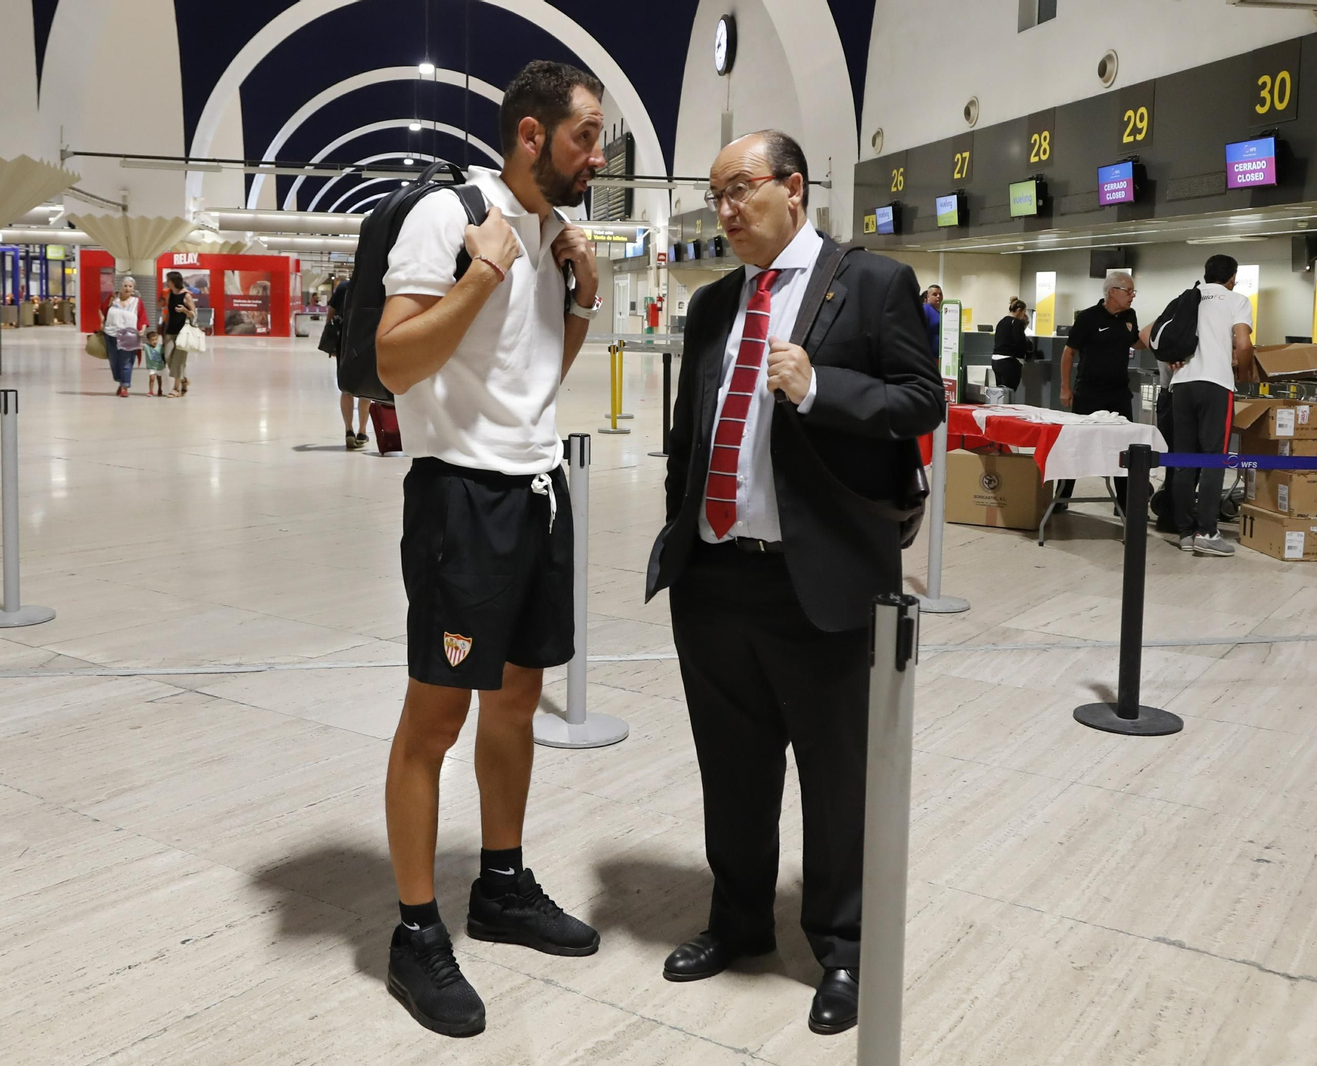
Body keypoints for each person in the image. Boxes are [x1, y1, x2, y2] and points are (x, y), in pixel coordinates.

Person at [644, 130, 944, 1037]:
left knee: (835, 775)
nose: (726, 210)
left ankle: (843, 947)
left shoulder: (874, 284)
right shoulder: (711, 306)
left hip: (821, 583)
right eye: (716, 195)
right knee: (731, 770)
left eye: (741, 190)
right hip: (717, 579)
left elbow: (922, 402)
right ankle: (737, 922)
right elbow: (689, 436)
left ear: (793, 187)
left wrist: (821, 390)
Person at [374, 59, 606, 1038]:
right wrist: (481, 270)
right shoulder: (451, 214)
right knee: (437, 717)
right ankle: (415, 930)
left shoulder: (556, 236)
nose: (598, 154)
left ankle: (500, 884)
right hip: (461, 500)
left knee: (516, 698)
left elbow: (530, 379)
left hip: (537, 489)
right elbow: (395, 361)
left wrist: (583, 298)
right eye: (585, 135)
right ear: (529, 133)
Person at [1170, 254, 1254, 556]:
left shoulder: (1187, 297)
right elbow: (1243, 344)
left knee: (1183, 461)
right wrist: (1245, 375)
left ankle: (1184, 531)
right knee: (1213, 460)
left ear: (1206, 274)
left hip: (1181, 385)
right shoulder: (1237, 300)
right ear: (1232, 278)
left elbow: (1146, 334)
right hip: (1216, 385)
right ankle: (1207, 531)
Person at [1056, 271, 1143, 508]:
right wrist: (1065, 388)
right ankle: (1061, 499)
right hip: (1089, 392)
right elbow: (1069, 352)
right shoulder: (1088, 317)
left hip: (1119, 393)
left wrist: (1160, 339)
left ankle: (1125, 506)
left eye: (1134, 292)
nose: (1133, 296)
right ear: (1112, 292)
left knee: (1125, 448)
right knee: (1075, 444)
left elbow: (1135, 340)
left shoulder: (1130, 316)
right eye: (1129, 291)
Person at [326, 274, 369, 449]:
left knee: (346, 388)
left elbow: (331, 315)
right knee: (366, 390)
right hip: (367, 343)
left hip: (344, 343)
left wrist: (331, 343)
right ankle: (362, 431)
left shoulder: (344, 287)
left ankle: (349, 430)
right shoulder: (374, 287)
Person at [102, 277, 147, 397]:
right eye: (125, 286)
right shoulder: (113, 298)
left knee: (127, 361)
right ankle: (120, 381)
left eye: (130, 286)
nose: (127, 288)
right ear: (121, 287)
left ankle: (124, 386)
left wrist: (142, 329)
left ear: (133, 288)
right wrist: (102, 322)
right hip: (111, 333)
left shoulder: (137, 302)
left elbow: (142, 317)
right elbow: (102, 310)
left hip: (129, 335)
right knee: (114, 360)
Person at [161, 271, 197, 398]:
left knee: (178, 361)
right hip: (170, 331)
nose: (167, 282)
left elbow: (193, 314)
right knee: (168, 357)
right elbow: (168, 313)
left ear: (174, 281)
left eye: (168, 280)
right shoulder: (169, 294)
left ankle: (176, 388)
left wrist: (185, 310)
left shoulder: (186, 295)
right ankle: (183, 379)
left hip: (183, 333)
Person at [990, 296, 1033, 393]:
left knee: (1001, 392)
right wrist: (1028, 352)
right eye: (1024, 312)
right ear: (1019, 310)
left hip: (995, 361)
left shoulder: (1001, 322)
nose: (1024, 315)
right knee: (1010, 392)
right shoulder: (1016, 322)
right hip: (1009, 362)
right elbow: (1020, 342)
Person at [921, 283, 944, 354]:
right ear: (928, 297)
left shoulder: (942, 311)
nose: (938, 296)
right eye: (935, 294)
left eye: (940, 294)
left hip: (941, 354)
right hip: (929, 355)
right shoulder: (925, 310)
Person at [143, 328, 166, 396]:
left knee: (159, 379)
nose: (154, 341)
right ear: (149, 340)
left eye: (156, 339)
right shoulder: (147, 347)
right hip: (151, 366)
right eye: (152, 340)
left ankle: (160, 389)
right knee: (152, 378)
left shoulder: (160, 347)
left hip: (159, 366)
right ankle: (151, 391)